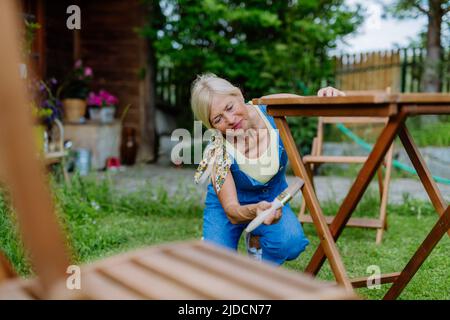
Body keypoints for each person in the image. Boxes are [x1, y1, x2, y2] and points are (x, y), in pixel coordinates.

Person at [191, 73, 344, 265]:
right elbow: (231, 210)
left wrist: (327, 95)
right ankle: (213, 246)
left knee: (291, 244)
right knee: (216, 265)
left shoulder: (270, 108)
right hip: (229, 206)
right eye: (218, 119)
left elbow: (309, 103)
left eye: (230, 107)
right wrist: (254, 211)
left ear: (238, 95)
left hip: (272, 198)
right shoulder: (217, 150)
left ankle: (258, 248)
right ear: (211, 125)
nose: (230, 119)